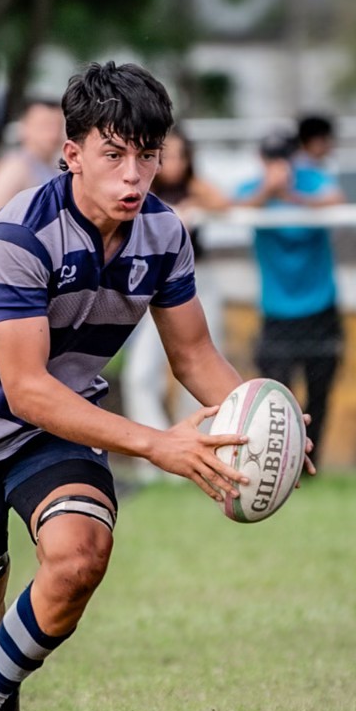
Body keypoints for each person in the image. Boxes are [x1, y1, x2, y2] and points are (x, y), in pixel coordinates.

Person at [0, 62, 310, 711]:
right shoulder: (18, 235)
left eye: (147, 156)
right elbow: (25, 388)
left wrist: (264, 423)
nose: (134, 176)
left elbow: (193, 357)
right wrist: (158, 444)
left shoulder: (162, 232)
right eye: (113, 155)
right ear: (71, 155)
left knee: (79, 555)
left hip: (60, 424)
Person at [121, 127, 230, 481]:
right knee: (140, 374)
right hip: (153, 292)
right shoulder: (138, 194)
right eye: (165, 155)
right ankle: (156, 455)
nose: (173, 163)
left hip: (196, 286)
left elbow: (223, 203)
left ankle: (203, 455)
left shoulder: (193, 188)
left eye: (180, 155)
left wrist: (193, 204)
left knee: (200, 378)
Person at [235, 128, 344, 457]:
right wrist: (269, 191)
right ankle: (277, 459)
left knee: (319, 393)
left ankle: (312, 462)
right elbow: (235, 206)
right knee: (275, 397)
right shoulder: (253, 189)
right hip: (276, 311)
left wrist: (294, 197)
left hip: (320, 305)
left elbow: (336, 199)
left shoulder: (312, 179)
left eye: (283, 158)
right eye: (271, 159)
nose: (278, 165)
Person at [0, 99, 65, 218]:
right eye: (45, 125)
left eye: (58, 125)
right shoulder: (15, 168)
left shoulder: (57, 166)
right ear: (24, 127)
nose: (53, 133)